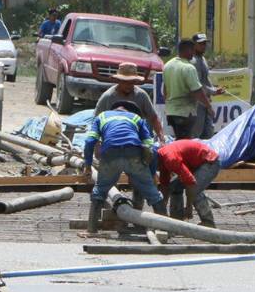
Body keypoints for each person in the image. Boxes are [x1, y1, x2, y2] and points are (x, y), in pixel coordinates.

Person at [82, 100, 166, 232]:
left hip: (110, 154)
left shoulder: (102, 116)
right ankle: (165, 229)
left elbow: (89, 141)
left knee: (100, 190)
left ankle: (91, 229)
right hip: (133, 154)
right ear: (129, 111)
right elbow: (151, 148)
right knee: (153, 194)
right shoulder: (136, 118)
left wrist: (87, 165)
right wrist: (152, 173)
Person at [94, 62, 166, 141]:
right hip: (112, 138)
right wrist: (97, 142)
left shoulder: (141, 95)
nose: (128, 85)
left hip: (136, 138)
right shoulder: (107, 96)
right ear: (118, 80)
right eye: (125, 82)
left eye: (131, 82)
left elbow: (153, 118)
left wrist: (161, 138)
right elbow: (96, 121)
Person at [156, 139, 221, 226]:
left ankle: (208, 221)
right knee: (174, 186)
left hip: (210, 162)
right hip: (197, 164)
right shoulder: (161, 158)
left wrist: (189, 206)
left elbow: (190, 182)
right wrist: (161, 210)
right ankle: (176, 221)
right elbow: (165, 185)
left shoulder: (170, 159)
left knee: (194, 191)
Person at [163, 38, 211, 139]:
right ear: (187, 50)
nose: (194, 53)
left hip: (171, 113)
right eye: (192, 50)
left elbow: (165, 90)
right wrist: (209, 106)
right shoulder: (189, 68)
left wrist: (167, 106)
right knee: (185, 143)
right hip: (185, 113)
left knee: (178, 141)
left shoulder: (167, 65)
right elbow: (197, 91)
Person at [190, 33, 224, 139]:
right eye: (200, 44)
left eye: (205, 43)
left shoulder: (203, 59)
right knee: (197, 133)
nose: (203, 46)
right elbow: (198, 84)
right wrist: (213, 91)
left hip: (206, 100)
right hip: (197, 102)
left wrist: (213, 88)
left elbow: (205, 80)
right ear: (193, 45)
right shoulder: (193, 61)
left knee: (208, 133)